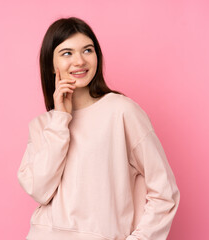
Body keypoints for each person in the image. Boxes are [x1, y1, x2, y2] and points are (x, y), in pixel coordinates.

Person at [17, 16, 180, 240]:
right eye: (67, 53)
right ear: (51, 66)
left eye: (87, 50)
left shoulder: (122, 111)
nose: (79, 61)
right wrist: (60, 119)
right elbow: (40, 190)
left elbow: (165, 192)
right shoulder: (43, 125)